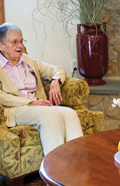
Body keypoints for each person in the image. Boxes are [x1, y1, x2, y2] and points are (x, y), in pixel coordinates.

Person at [0, 23, 83, 156]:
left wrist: (55, 81)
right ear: (1, 45)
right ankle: (55, 170)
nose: (20, 46)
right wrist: (29, 103)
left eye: (21, 41)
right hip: (15, 109)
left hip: (38, 106)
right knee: (50, 115)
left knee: (70, 113)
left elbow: (57, 69)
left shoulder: (28, 60)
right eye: (14, 42)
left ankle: (78, 164)